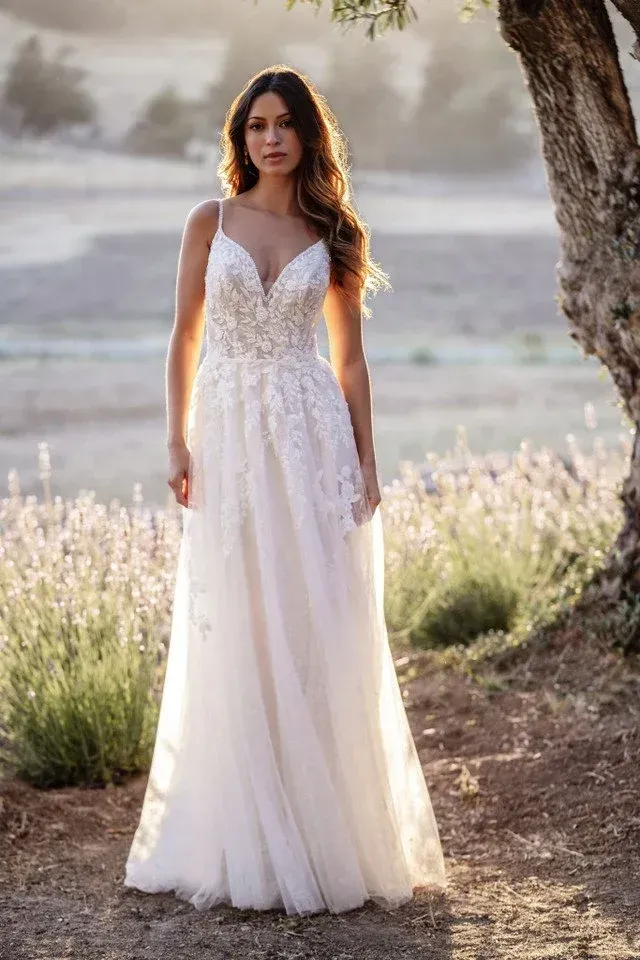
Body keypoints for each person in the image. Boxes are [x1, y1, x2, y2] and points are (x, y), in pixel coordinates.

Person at [124, 64, 446, 917]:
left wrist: (368, 464)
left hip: (311, 440)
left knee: (314, 616)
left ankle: (318, 826)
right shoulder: (210, 220)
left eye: (283, 123)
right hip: (227, 435)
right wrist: (174, 437)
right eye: (255, 125)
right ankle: (241, 827)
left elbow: (349, 360)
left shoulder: (332, 231)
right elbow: (184, 337)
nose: (270, 136)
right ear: (241, 139)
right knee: (242, 616)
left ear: (308, 135)